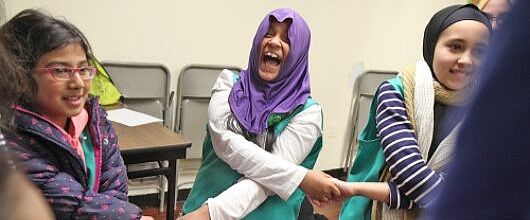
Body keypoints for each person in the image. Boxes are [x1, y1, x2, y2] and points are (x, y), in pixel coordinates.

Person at [334, 4, 492, 220]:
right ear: (432, 45)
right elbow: (409, 173)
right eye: (455, 46)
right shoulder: (395, 91)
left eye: (480, 51)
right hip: (370, 212)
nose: (466, 60)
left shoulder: (483, 109)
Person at [180, 8, 340, 220]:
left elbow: (268, 183)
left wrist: (209, 214)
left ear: (299, 54)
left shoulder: (308, 113)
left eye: (287, 39)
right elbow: (227, 144)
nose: (274, 42)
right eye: (268, 33)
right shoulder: (228, 84)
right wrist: (300, 178)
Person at [0, 9, 152, 220]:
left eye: (83, 69)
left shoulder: (96, 122)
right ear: (22, 76)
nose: (78, 83)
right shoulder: (11, 136)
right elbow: (69, 202)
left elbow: (116, 190)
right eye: (61, 71)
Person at [425, 0, 530, 219]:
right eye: (488, 17)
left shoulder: (492, 91)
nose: (494, 27)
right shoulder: (401, 89)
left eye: (503, 19)